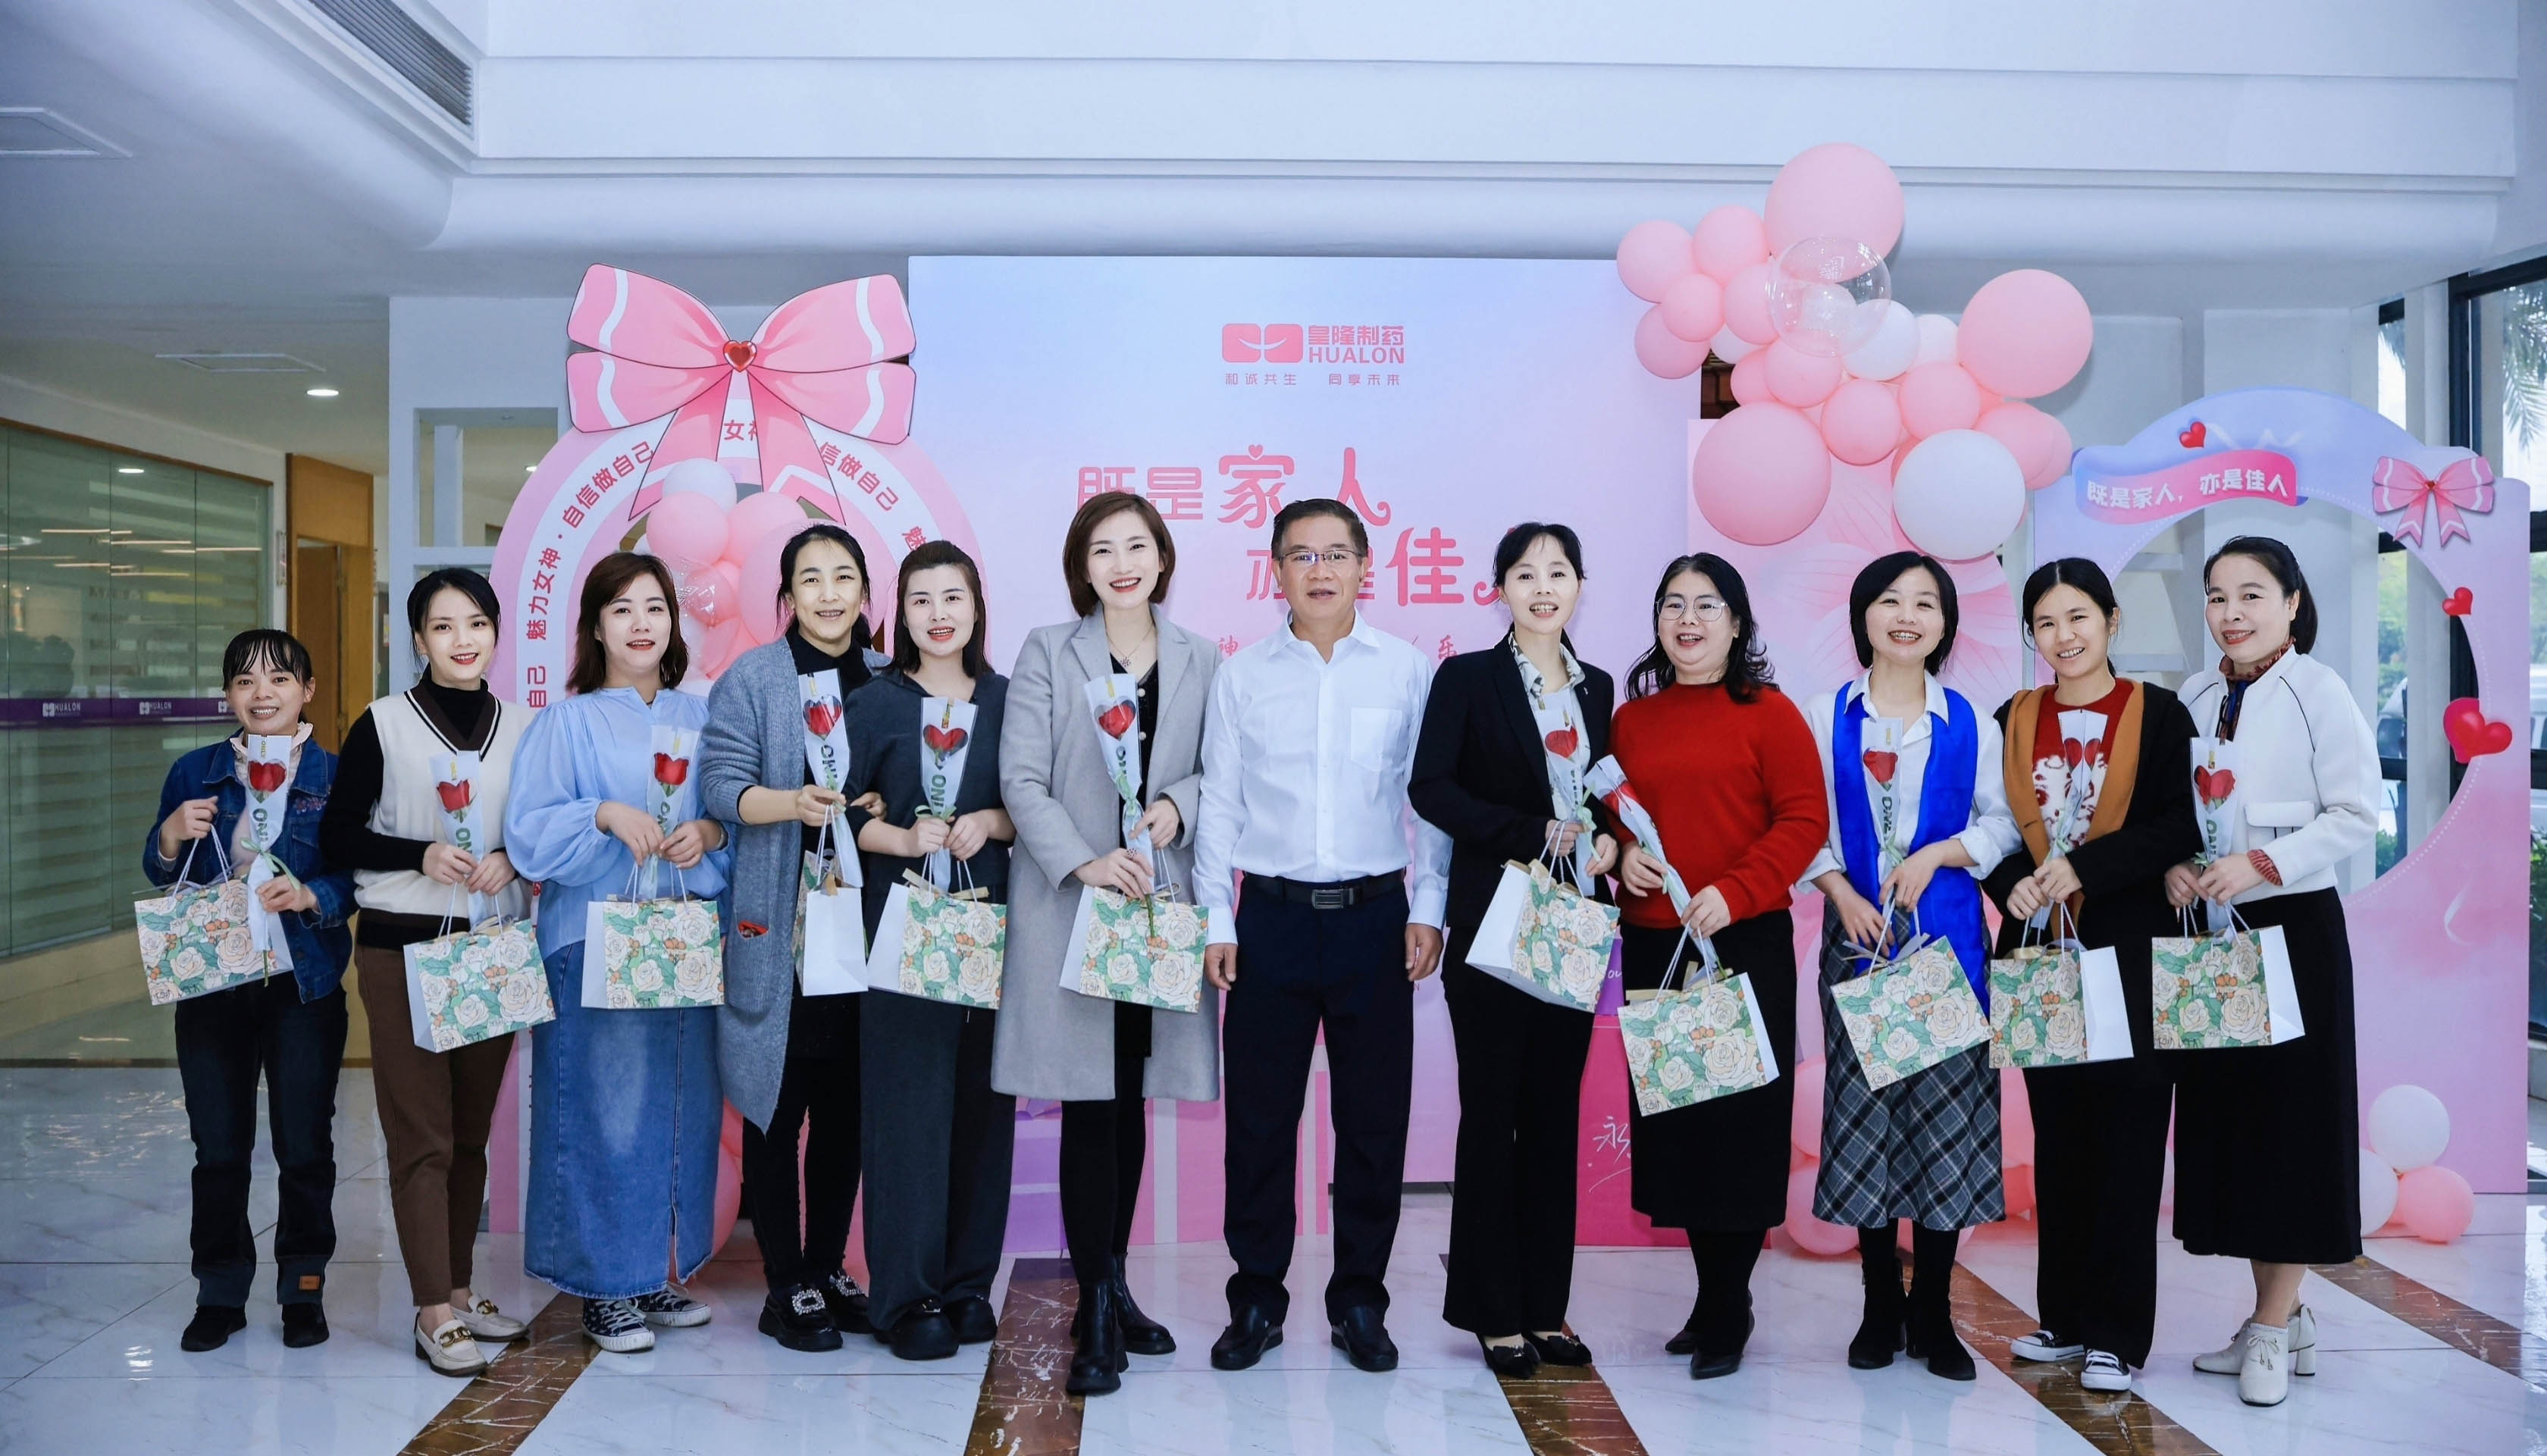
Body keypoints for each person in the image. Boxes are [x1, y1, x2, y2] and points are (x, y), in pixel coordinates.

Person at [1195, 497, 1452, 1376]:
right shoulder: (1243, 675)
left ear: (1365, 566)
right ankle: (1256, 1299)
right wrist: (1216, 917)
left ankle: (1360, 1302)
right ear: (1276, 571)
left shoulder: (1408, 671)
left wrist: (1427, 907)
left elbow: (1430, 804)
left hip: (1376, 921)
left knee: (1374, 1123)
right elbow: (1220, 804)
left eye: (1336, 553)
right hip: (1267, 919)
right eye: (1301, 555)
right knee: (1259, 1123)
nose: (1320, 570)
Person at [997, 492, 1222, 1395]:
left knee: (1128, 1100)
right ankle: (1093, 1304)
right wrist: (1084, 861)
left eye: (1137, 546)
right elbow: (1021, 778)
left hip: (1156, 911)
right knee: (1091, 1104)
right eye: (1103, 549)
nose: (1122, 563)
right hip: (1078, 907)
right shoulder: (1050, 650)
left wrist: (1179, 805)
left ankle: (1115, 1283)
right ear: (1081, 567)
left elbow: (1218, 771)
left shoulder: (1202, 656)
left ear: (1162, 559)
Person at [1977, 558, 2199, 1397]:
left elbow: (2180, 822)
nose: (2063, 636)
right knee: (2061, 1137)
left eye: (2079, 618)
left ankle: (2117, 1333)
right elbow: (1989, 826)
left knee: (2130, 1140)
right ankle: (2064, 1318)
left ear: (2111, 621)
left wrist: (2085, 869)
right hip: (2039, 949)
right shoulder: (2013, 717)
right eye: (2046, 622)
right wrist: (2013, 884)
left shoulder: (2159, 712)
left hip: (2131, 949)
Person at [2166, 535, 2378, 1408]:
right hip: (2211, 936)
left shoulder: (2319, 689)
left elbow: (2359, 812)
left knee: (2293, 1130)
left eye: (2252, 594)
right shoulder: (2195, 695)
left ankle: (2268, 1328)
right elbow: (2175, 810)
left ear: (2292, 603)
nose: (2232, 612)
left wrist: (2263, 864)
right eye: (2218, 596)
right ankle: (2286, 1319)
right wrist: (2176, 865)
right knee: (2239, 1132)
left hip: (2291, 930)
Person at [503, 551, 732, 1354]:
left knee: (677, 1110)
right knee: (603, 1111)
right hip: (592, 942)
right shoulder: (566, 723)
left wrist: (708, 833)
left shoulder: (705, 718)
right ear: (595, 626)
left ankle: (647, 1272)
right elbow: (530, 833)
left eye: (655, 607)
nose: (641, 624)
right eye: (623, 608)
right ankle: (603, 1286)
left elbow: (734, 819)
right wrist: (602, 813)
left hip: (682, 943)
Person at [1609, 553, 1827, 1379]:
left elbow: (1803, 820)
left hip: (1741, 942)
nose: (1688, 619)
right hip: (1659, 944)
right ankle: (1711, 1298)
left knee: (1739, 1128)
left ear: (1737, 624)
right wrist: (1623, 856)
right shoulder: (1633, 721)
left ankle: (1730, 1304)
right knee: (1684, 1129)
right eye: (1673, 604)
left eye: (1707, 605)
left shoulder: (1771, 713)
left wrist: (1736, 892)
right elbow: (1618, 817)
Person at [1408, 523, 1619, 1378]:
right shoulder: (1467, 678)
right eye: (1525, 574)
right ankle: (1495, 1312)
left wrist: (1605, 840)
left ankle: (1544, 1306)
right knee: (1494, 1115)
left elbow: (1602, 794)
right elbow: (1431, 787)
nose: (1543, 588)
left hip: (1571, 927)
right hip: (1495, 923)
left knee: (1554, 1116)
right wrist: (1533, 833)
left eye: (1558, 572)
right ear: (1500, 588)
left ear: (1579, 586)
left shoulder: (1597, 688)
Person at [1803, 550, 2019, 1382]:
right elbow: (1804, 823)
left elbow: (2002, 823)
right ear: (1863, 615)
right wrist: (1837, 890)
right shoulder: (1826, 713)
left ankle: (1932, 1308)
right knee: (1867, 1124)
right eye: (1890, 600)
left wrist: (1939, 853)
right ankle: (1877, 1306)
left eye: (1925, 603)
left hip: (1945, 951)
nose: (1906, 616)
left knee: (1944, 1129)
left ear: (1945, 624)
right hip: (1860, 948)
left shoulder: (1970, 721)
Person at [318, 569, 537, 1375]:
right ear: (418, 640)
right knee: (423, 1137)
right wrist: (420, 853)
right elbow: (339, 835)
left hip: (493, 947)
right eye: (443, 627)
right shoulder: (382, 724)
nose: (462, 640)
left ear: (495, 632)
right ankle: (432, 1308)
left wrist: (513, 855)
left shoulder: (523, 727)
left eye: (476, 623)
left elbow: (541, 825)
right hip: (401, 948)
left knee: (471, 1134)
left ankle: (460, 1286)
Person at [700, 524, 891, 1354]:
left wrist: (884, 804)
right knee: (776, 1108)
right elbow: (720, 787)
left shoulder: (889, 678)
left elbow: (912, 782)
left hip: (865, 931)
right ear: (786, 595)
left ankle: (827, 1266)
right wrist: (793, 802)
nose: (828, 593)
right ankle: (786, 1283)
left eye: (843, 576)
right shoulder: (753, 678)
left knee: (848, 1111)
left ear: (865, 592)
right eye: (810, 578)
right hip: (780, 928)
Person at [145, 628, 356, 1354]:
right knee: (218, 1145)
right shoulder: (195, 771)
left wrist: (312, 894)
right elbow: (158, 866)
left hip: (304, 983)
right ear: (229, 695)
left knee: (305, 1144)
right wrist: (171, 834)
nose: (262, 693)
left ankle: (304, 1287)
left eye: (279, 678)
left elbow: (355, 876)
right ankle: (220, 1290)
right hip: (213, 985)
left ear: (307, 690)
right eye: (245, 681)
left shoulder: (336, 774)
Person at [838, 539, 1018, 1362]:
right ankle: (905, 1298)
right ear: (899, 614)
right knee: (906, 1111)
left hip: (990, 923)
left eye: (953, 598)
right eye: (921, 600)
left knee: (984, 1106)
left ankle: (967, 1284)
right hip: (901, 925)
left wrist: (993, 822)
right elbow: (840, 815)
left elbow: (1036, 803)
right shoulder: (873, 702)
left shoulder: (1010, 700)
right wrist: (905, 836)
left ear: (977, 607)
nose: (939, 614)